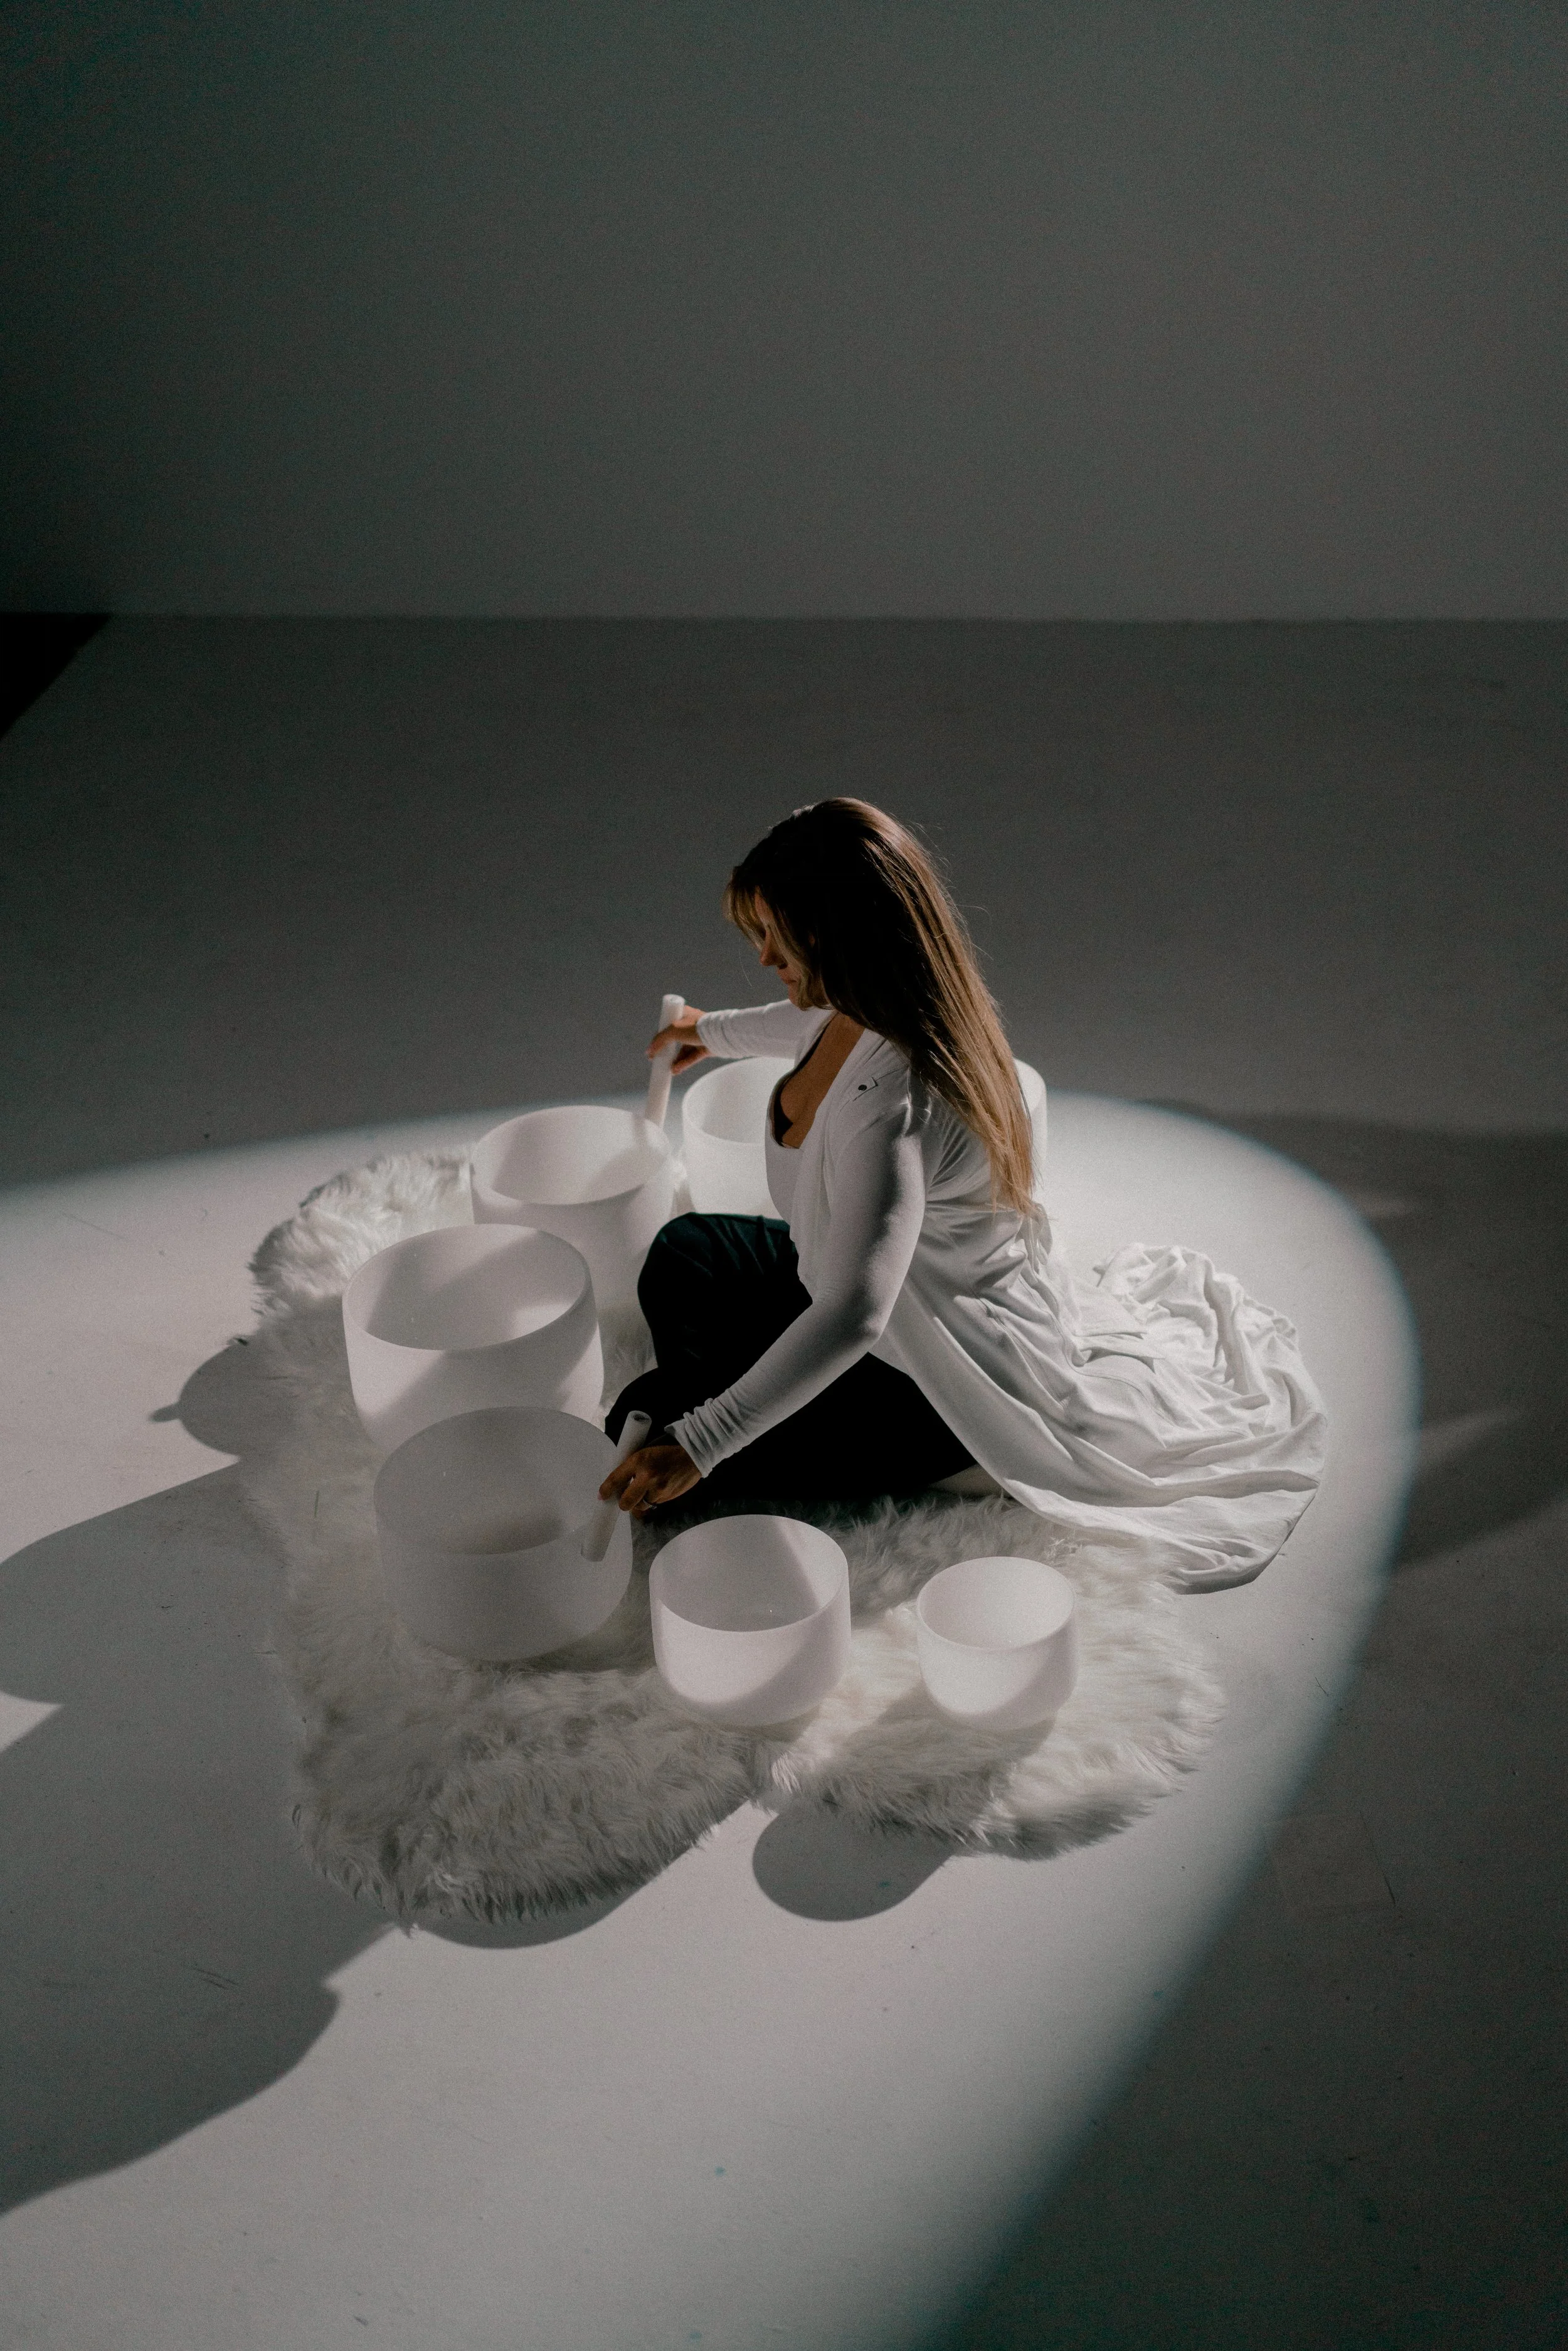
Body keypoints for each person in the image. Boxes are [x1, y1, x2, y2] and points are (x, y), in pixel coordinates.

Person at [600, 799, 1327, 1591]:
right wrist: (708, 1031)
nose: (765, 955)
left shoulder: (891, 1098)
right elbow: (798, 1024)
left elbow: (854, 1315)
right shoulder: (864, 1004)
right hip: (857, 1289)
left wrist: (705, 1440)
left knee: (644, 1415)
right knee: (684, 1253)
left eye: (781, 937)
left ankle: (927, 1455)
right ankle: (773, 1394)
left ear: (840, 938)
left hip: (934, 1375)